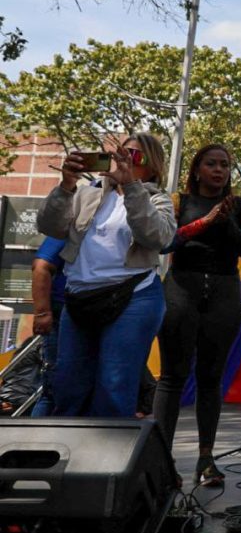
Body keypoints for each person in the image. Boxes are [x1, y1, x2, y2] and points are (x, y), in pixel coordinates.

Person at [36, 134, 174, 417]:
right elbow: (49, 226)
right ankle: (69, 457)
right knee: (68, 386)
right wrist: (66, 184)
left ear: (153, 166)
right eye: (121, 154)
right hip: (79, 298)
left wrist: (131, 187)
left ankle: (106, 459)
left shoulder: (157, 199)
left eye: (135, 157)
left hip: (132, 298)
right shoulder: (86, 193)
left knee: (114, 386)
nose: (124, 161)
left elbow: (156, 237)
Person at [154, 144, 241, 487]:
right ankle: (159, 459)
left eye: (225, 165)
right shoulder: (178, 202)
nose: (219, 170)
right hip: (182, 287)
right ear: (197, 170)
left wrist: (226, 223)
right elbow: (166, 243)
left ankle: (206, 459)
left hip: (225, 291)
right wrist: (206, 221)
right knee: (172, 376)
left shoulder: (239, 206)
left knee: (211, 377)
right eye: (211, 164)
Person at [29, 237, 67, 416]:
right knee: (53, 389)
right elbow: (40, 266)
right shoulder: (70, 228)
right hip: (63, 311)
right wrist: (42, 313)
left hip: (71, 310)